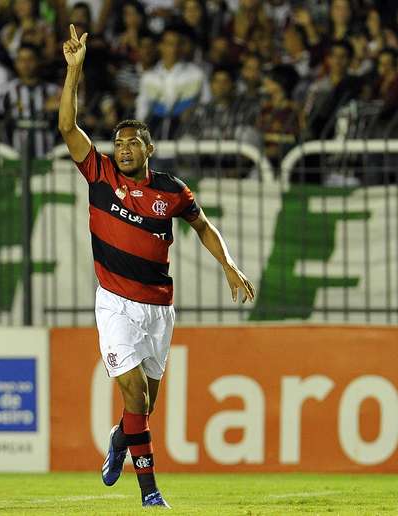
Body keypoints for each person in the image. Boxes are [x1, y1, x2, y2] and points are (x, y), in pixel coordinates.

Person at [58, 24, 255, 508]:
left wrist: (229, 266)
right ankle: (150, 495)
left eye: (131, 143)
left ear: (148, 149)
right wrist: (74, 73)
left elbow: (203, 225)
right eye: (118, 142)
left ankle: (121, 440)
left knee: (143, 407)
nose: (121, 148)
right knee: (136, 400)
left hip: (159, 310)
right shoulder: (99, 174)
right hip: (116, 305)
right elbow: (67, 128)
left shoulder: (172, 191)